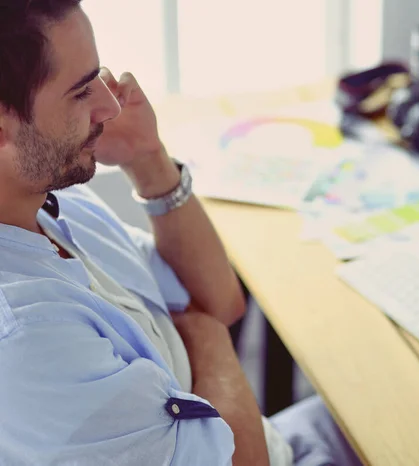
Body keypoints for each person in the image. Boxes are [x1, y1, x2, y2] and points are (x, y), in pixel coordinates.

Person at [0, 1, 363, 465]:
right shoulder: (29, 341)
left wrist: (147, 158)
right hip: (265, 452)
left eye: (99, 76)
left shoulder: (53, 203)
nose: (109, 105)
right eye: (80, 92)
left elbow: (219, 300)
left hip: (276, 439)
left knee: (397, 399)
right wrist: (207, 337)